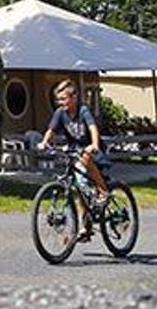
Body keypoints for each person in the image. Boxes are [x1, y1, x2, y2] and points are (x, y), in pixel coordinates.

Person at [37, 79, 108, 240]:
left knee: (85, 158)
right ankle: (85, 226)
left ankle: (103, 191)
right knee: (78, 188)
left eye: (63, 99)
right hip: (74, 149)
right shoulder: (60, 113)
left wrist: (94, 144)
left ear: (74, 97)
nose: (60, 102)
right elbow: (51, 130)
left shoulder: (83, 110)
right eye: (58, 100)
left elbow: (92, 127)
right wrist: (44, 142)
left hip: (92, 150)